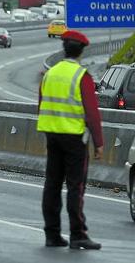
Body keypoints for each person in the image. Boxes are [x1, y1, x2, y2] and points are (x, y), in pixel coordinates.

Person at [37, 30, 103, 250]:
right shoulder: (81, 76)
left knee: (52, 184)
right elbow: (92, 113)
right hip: (74, 138)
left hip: (51, 135)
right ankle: (78, 235)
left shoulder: (50, 74)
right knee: (76, 186)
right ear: (82, 51)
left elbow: (41, 104)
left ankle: (52, 234)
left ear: (63, 48)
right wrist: (99, 142)